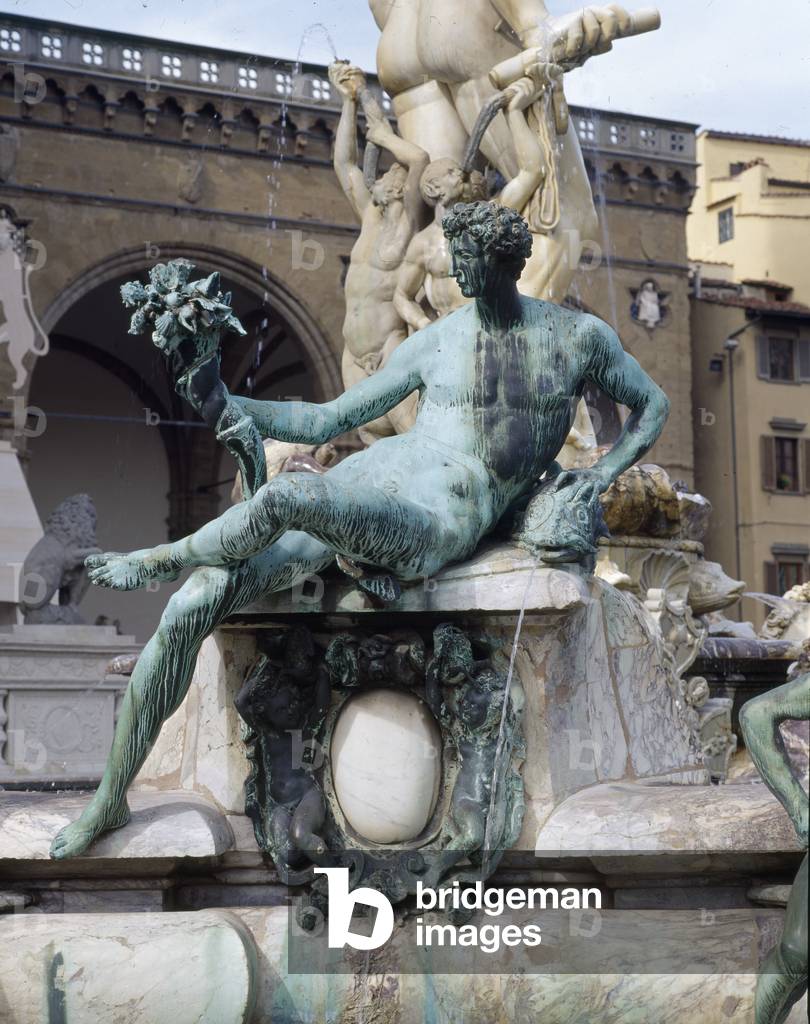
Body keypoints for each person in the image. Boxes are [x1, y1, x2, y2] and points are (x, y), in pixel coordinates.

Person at [50, 201, 669, 860]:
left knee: (291, 495)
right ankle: (110, 799)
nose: (460, 276)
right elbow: (325, 422)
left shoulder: (577, 339)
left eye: (470, 263)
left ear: (505, 263)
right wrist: (220, 401)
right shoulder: (435, 341)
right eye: (455, 262)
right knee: (192, 604)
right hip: (371, 480)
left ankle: (158, 557)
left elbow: (651, 405)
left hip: (434, 519)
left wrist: (597, 478)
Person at [328, 61, 429, 442]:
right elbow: (345, 163)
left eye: (390, 176)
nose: (381, 179)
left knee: (410, 437)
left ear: (404, 188)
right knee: (367, 444)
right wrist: (348, 103)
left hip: (390, 347)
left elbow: (419, 159)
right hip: (353, 351)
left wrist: (385, 136)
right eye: (384, 176)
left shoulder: (413, 223)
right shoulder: (370, 215)